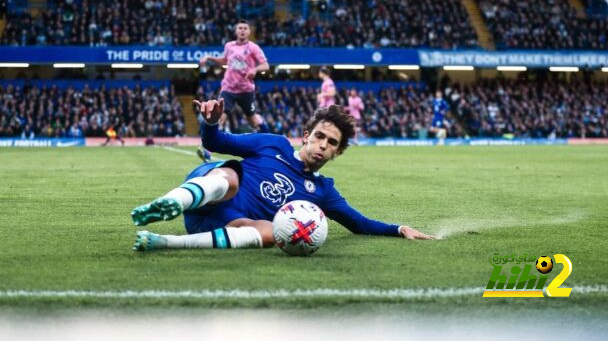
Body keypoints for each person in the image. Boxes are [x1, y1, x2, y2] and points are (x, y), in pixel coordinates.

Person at [131, 99, 434, 252]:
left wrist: (398, 229)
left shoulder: (323, 191)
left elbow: (359, 223)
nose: (322, 145)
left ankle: (165, 242)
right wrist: (209, 124)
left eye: (331, 143)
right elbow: (216, 143)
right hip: (208, 195)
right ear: (306, 135)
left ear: (337, 153)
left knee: (272, 232)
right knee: (232, 174)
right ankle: (170, 201)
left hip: (225, 227)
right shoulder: (272, 144)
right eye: (319, 137)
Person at [199, 19, 270, 133]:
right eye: (240, 28)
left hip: (246, 89)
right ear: (236, 31)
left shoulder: (253, 47)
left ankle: (267, 135)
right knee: (220, 116)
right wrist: (208, 57)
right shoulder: (229, 46)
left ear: (249, 32)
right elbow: (224, 60)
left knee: (252, 120)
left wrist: (255, 69)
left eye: (245, 28)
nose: (242, 31)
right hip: (228, 88)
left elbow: (266, 65)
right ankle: (210, 147)